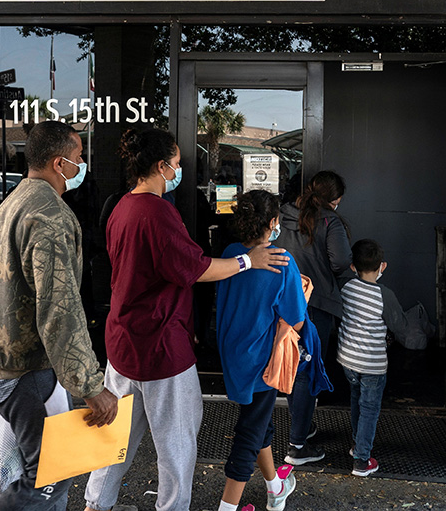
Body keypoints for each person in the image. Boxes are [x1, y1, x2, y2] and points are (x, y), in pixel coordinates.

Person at [84, 127, 289, 511]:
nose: (179, 170)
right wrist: (249, 260)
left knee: (116, 440)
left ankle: (96, 504)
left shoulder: (121, 207)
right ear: (161, 166)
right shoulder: (158, 212)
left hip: (123, 342)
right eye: (177, 164)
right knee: (176, 446)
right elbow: (193, 268)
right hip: (161, 346)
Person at [0, 120, 119, 511]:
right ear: (59, 163)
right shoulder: (50, 216)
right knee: (48, 479)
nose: (82, 164)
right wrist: (90, 385)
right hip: (25, 370)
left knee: (39, 472)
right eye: (78, 157)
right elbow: (61, 310)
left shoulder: (10, 205)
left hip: (5, 364)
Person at [215, 190, 306, 511]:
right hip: (262, 363)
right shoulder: (283, 261)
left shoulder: (230, 254)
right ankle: (228, 506)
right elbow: (295, 320)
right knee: (248, 435)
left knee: (259, 423)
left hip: (234, 356)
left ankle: (275, 486)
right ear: (273, 222)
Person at [273, 170, 353, 465]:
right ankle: (297, 445)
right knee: (306, 369)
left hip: (284, 302)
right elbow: (341, 261)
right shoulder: (330, 221)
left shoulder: (282, 215)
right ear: (335, 198)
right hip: (316, 304)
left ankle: (302, 427)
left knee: (293, 364)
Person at [336, 239, 408, 478]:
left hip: (347, 360)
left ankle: (358, 444)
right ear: (382, 266)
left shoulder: (346, 287)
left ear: (352, 267)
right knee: (369, 408)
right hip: (372, 365)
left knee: (357, 400)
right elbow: (399, 326)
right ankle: (362, 459)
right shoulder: (384, 295)